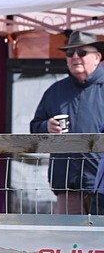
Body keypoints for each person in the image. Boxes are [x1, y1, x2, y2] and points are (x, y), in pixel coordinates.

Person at [30, 31, 104, 215]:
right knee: (69, 241)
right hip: (67, 186)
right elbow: (34, 128)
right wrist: (46, 126)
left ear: (97, 57)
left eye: (82, 52)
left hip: (101, 185)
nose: (75, 57)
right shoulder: (55, 91)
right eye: (70, 53)